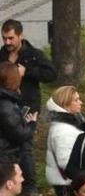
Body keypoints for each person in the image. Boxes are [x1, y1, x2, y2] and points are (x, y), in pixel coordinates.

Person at [1, 19, 55, 194]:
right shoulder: (2, 54)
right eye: (4, 38)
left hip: (27, 107)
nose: (7, 42)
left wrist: (28, 73)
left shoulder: (33, 54)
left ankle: (29, 186)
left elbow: (51, 74)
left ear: (20, 36)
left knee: (26, 147)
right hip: (7, 105)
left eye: (10, 38)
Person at [0, 62, 37, 191]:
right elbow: (19, 135)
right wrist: (31, 124)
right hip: (6, 157)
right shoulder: (6, 105)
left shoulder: (7, 101)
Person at [45, 86, 85, 196]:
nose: (80, 102)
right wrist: (84, 177)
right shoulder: (63, 128)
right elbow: (65, 161)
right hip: (67, 182)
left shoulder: (74, 120)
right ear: (65, 103)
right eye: (76, 100)